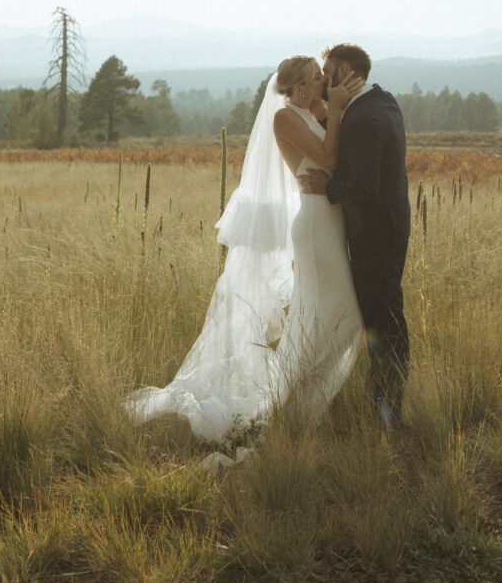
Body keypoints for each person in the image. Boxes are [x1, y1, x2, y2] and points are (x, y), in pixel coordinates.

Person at [126, 56, 363, 445]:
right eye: (317, 78)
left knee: (329, 315)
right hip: (316, 226)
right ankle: (290, 405)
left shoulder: (313, 108)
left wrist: (331, 108)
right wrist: (335, 110)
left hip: (330, 225)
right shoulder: (284, 118)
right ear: (298, 88)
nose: (324, 81)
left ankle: (300, 404)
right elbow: (330, 158)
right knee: (339, 314)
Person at [300, 44, 410, 428]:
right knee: (386, 321)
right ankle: (384, 408)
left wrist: (325, 188)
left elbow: (363, 185)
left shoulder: (363, 118)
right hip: (389, 228)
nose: (323, 77)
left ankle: (387, 415)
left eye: (326, 70)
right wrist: (332, 113)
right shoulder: (382, 101)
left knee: (384, 324)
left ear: (344, 71)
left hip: (375, 236)